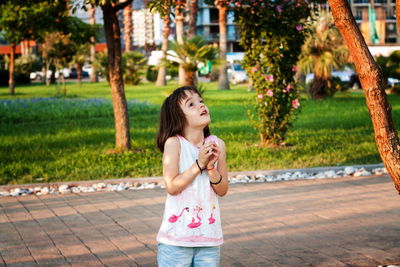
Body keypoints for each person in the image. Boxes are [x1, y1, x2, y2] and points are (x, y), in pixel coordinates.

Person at [156, 86, 229, 267]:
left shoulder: (217, 144)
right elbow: (172, 187)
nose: (201, 106)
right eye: (191, 104)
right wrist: (199, 164)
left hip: (209, 240)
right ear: (179, 117)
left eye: (201, 101)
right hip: (176, 241)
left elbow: (222, 189)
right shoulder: (174, 144)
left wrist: (211, 168)